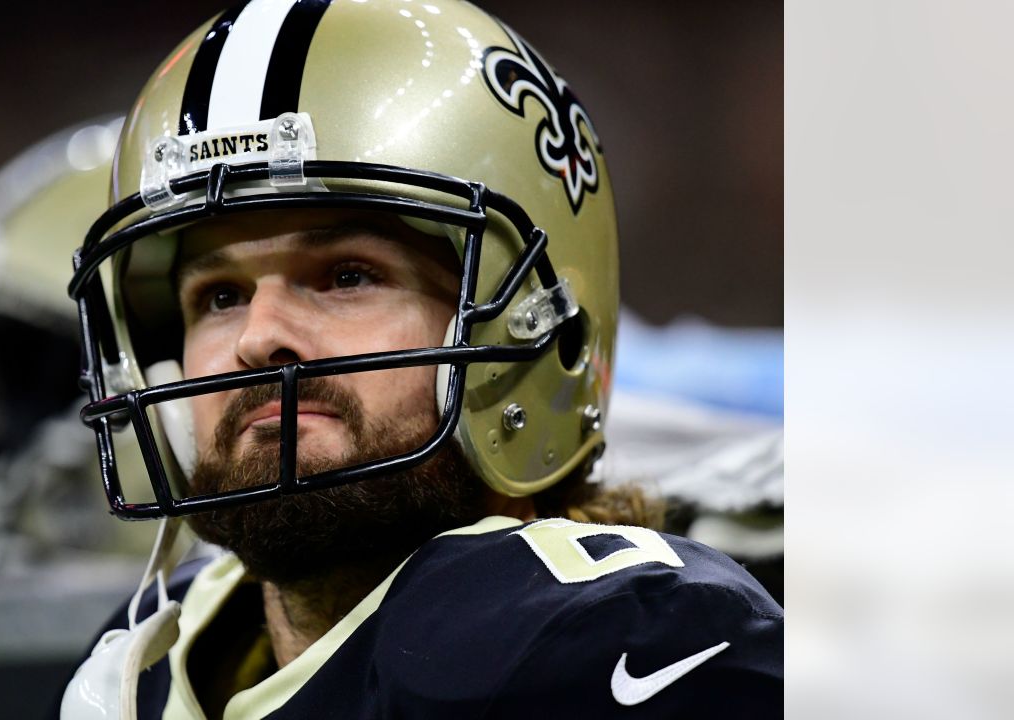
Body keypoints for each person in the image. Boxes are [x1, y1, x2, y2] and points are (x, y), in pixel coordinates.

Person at [57, 1, 783, 717]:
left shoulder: (600, 640)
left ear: (535, 327)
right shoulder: (143, 661)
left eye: (347, 276)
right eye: (218, 297)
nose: (259, 336)